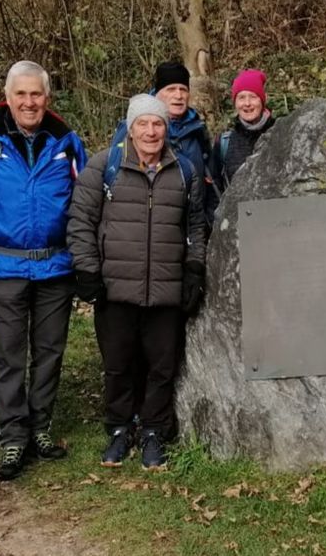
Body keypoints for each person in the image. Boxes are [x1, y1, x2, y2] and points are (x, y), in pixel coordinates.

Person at [0, 60, 88, 481]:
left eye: (37, 94)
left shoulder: (67, 143)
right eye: (21, 94)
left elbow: (83, 207)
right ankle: (14, 436)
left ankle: (40, 427)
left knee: (49, 353)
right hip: (2, 265)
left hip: (55, 267)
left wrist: (82, 261)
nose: (29, 102)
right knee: (8, 356)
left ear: (48, 97)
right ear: (7, 97)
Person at [68, 94, 207, 469]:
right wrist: (87, 269)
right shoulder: (103, 167)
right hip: (115, 288)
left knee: (162, 366)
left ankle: (153, 431)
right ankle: (118, 428)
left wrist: (194, 267)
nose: (151, 131)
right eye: (143, 124)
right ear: (130, 129)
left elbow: (195, 225)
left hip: (166, 288)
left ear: (167, 129)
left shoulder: (185, 170)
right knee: (118, 364)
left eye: (158, 124)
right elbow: (80, 221)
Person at [110, 62, 214, 222]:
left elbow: (209, 180)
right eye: (171, 89)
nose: (178, 96)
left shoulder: (198, 130)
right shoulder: (134, 128)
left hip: (192, 225)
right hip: (145, 226)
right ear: (157, 93)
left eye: (183, 90)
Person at [206, 68, 277, 209]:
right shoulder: (224, 143)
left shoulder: (281, 134)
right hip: (237, 225)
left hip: (279, 222)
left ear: (263, 99)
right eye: (241, 97)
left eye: (253, 96)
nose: (247, 103)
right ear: (235, 102)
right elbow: (214, 192)